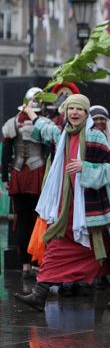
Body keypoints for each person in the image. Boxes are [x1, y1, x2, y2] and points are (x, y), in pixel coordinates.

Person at [14, 94, 110, 311]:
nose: (75, 113)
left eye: (79, 109)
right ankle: (39, 295)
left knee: (105, 247)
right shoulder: (63, 134)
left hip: (91, 208)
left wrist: (84, 167)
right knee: (55, 244)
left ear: (86, 113)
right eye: (71, 109)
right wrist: (30, 112)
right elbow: (46, 129)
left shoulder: (96, 136)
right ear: (66, 112)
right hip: (67, 207)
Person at [2, 88, 52, 279]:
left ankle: (25, 266)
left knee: (22, 221)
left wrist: (5, 178)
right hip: (38, 174)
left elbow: (6, 154)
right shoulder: (44, 123)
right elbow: (48, 153)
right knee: (39, 221)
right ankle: (36, 263)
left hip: (17, 175)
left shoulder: (12, 123)